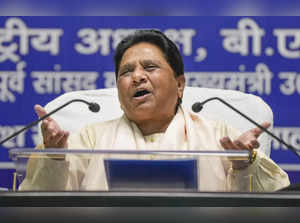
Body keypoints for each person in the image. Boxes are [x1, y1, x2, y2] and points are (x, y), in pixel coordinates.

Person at [19, 29, 289, 192]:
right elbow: (45, 207)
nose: (137, 77)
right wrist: (54, 156)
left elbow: (271, 204)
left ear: (180, 85)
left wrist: (245, 165)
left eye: (149, 68)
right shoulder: (89, 139)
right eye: (126, 72)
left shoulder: (222, 136)